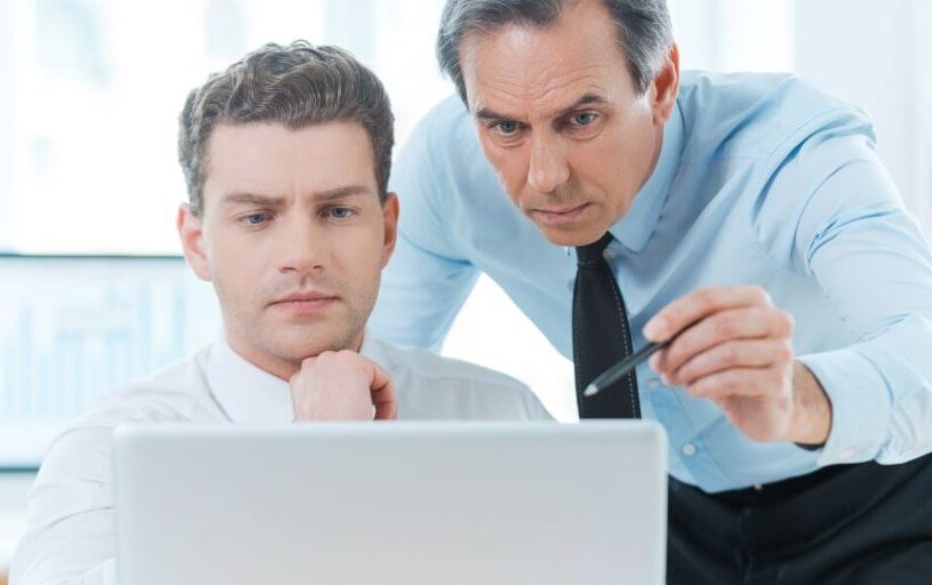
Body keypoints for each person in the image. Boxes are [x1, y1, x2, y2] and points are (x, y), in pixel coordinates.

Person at [369, 0, 932, 582]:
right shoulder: (448, 164)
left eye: (581, 119)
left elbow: (923, 349)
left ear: (661, 83)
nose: (545, 177)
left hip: (872, 502)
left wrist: (800, 397)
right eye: (505, 127)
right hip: (664, 512)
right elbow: (380, 360)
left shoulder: (789, 154)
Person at [9, 41, 550, 585]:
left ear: (387, 231)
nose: (301, 255)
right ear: (197, 243)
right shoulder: (105, 455)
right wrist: (313, 463)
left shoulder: (504, 416)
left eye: (337, 211)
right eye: (256, 217)